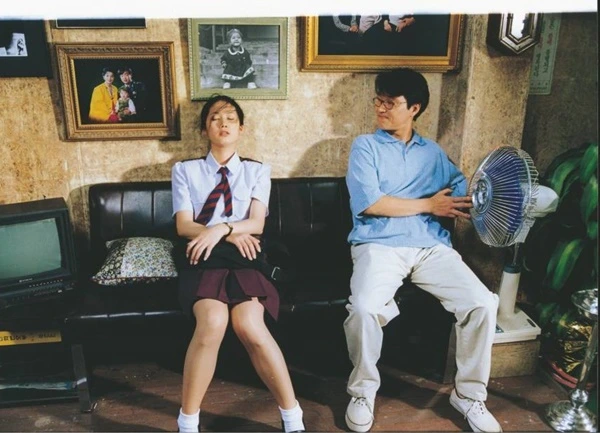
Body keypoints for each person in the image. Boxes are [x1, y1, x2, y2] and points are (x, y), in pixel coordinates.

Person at [343, 68, 502, 433]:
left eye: (390, 103)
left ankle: (468, 395)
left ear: (414, 108)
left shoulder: (432, 153)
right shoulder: (365, 146)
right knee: (364, 309)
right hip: (379, 244)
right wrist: (429, 205)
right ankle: (362, 392)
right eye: (378, 100)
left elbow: (460, 191)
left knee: (482, 303)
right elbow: (371, 204)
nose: (380, 108)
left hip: (430, 247)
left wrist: (484, 191)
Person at [171, 94, 304, 433]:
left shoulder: (257, 170)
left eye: (231, 118)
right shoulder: (185, 170)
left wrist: (221, 229)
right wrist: (228, 234)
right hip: (203, 256)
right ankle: (187, 422)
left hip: (245, 257)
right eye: (215, 118)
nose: (224, 123)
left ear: (241, 129)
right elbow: (184, 226)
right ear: (205, 129)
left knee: (250, 325)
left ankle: (293, 417)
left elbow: (256, 223)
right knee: (212, 322)